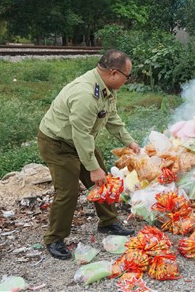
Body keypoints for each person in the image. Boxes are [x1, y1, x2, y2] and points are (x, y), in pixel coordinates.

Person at [38, 49, 141, 260]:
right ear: (114, 73)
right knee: (68, 191)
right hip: (58, 143)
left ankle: (108, 222)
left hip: (81, 140)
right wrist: (93, 169)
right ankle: (54, 238)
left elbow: (111, 118)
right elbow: (81, 134)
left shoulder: (105, 89)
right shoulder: (86, 94)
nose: (127, 81)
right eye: (127, 76)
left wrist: (129, 141)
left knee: (103, 182)